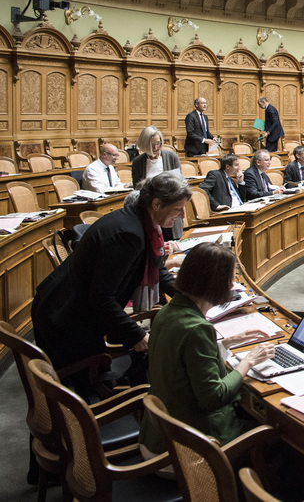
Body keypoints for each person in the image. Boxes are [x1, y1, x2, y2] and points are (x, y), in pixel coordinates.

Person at [31, 172, 191, 381]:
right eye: (178, 209)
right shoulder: (129, 234)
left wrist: (189, 296)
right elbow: (101, 297)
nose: (183, 215)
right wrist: (136, 334)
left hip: (72, 310)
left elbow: (157, 269)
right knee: (87, 384)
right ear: (157, 204)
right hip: (63, 319)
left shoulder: (140, 221)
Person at [139, 243, 275, 457]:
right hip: (187, 450)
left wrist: (226, 343)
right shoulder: (198, 329)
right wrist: (248, 361)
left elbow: (181, 362)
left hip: (157, 437)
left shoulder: (167, 311)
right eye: (231, 278)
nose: (233, 285)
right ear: (216, 282)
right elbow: (214, 397)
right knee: (274, 436)